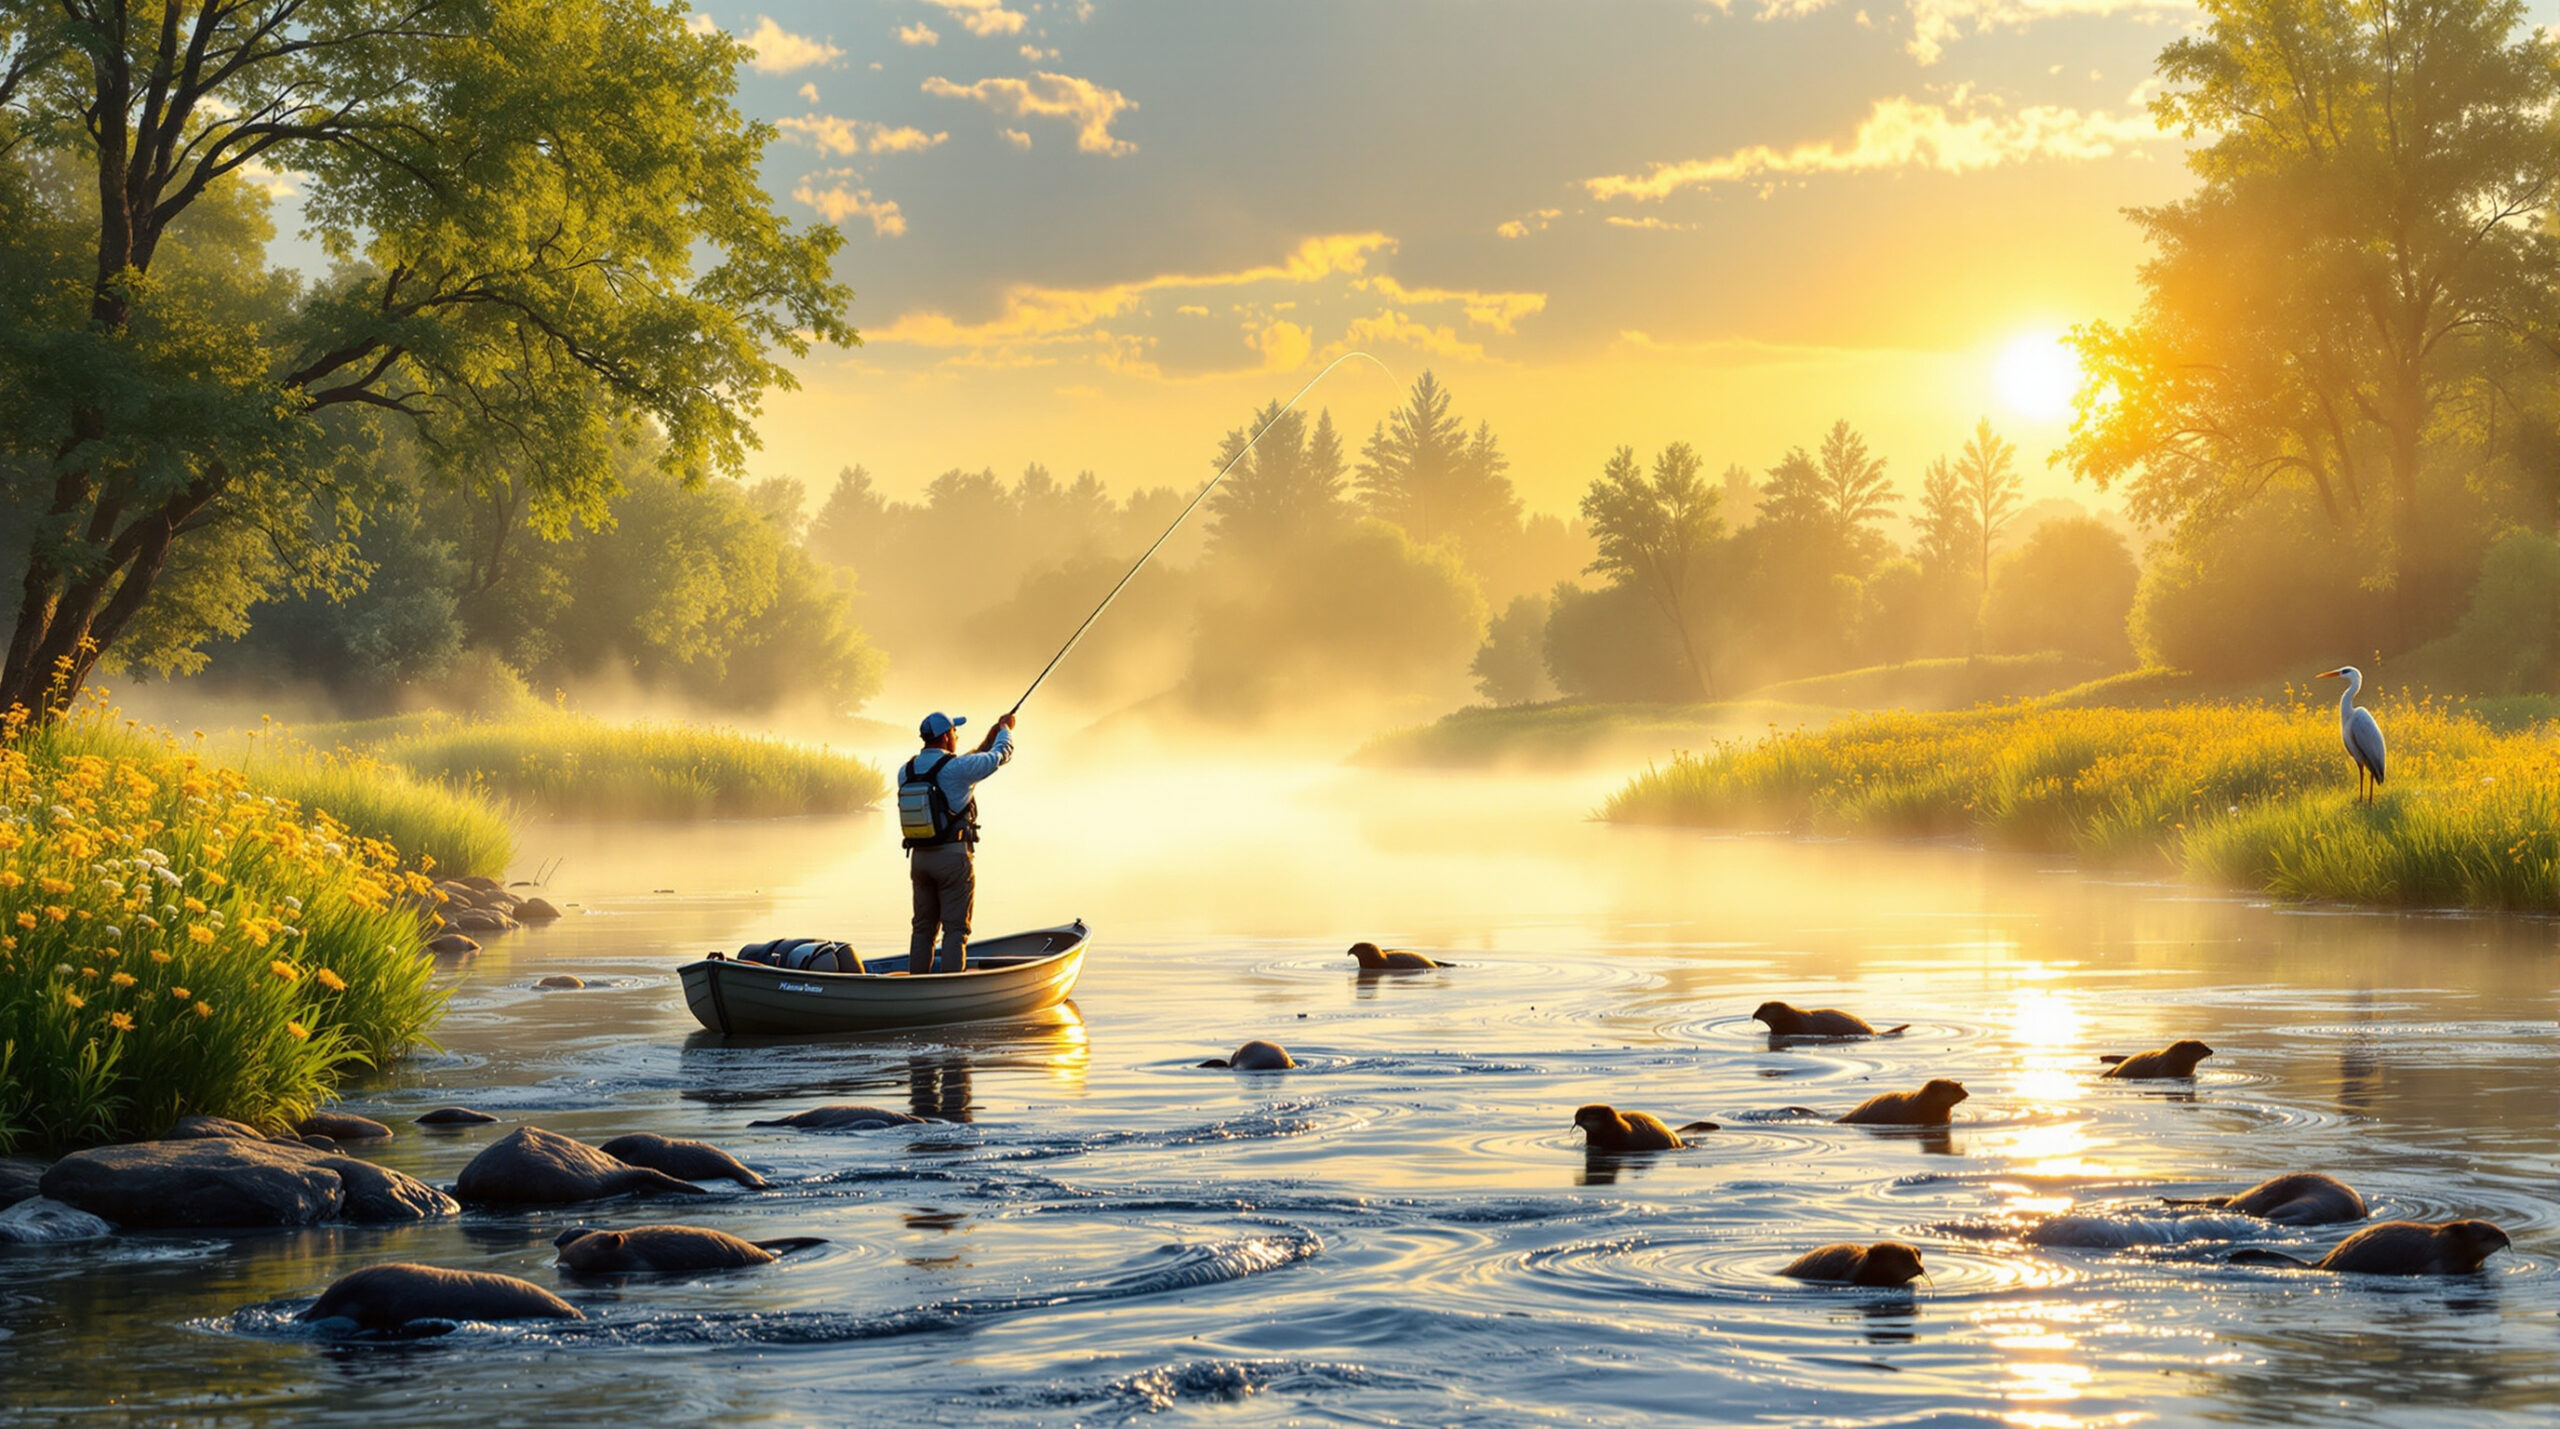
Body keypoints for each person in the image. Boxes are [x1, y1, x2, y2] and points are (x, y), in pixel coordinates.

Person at [900, 709, 1016, 973]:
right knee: (956, 929)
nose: (956, 735)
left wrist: (989, 738)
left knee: (923, 928)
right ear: (944, 736)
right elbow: (999, 757)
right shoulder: (957, 769)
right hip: (953, 859)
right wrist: (1006, 731)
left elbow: (959, 766)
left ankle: (916, 985)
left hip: (919, 861)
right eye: (954, 731)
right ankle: (949, 987)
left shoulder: (905, 771)